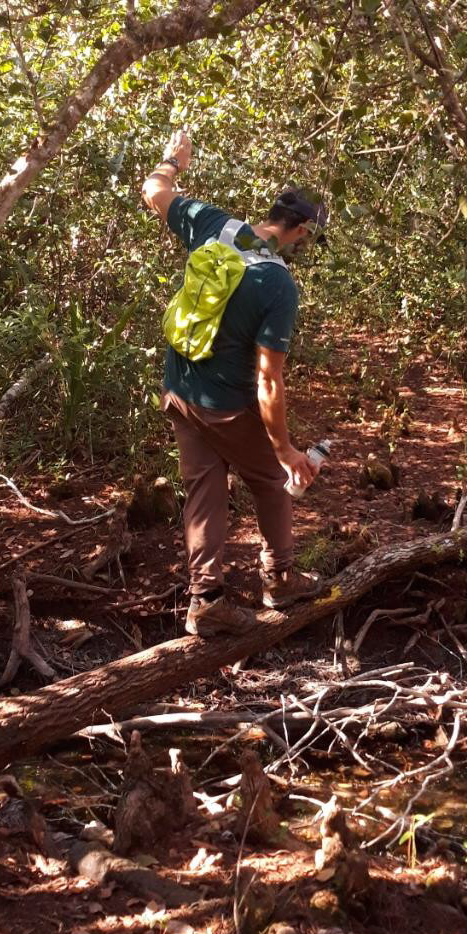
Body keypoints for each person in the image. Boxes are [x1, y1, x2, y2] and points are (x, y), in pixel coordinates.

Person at [141, 130, 326, 637]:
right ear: (301, 230)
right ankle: (281, 578)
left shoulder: (214, 225)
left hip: (179, 388)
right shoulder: (278, 284)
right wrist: (285, 449)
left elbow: (152, 190)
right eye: (310, 236)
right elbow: (268, 379)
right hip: (223, 403)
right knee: (271, 478)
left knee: (204, 488)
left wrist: (173, 160)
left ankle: (206, 600)